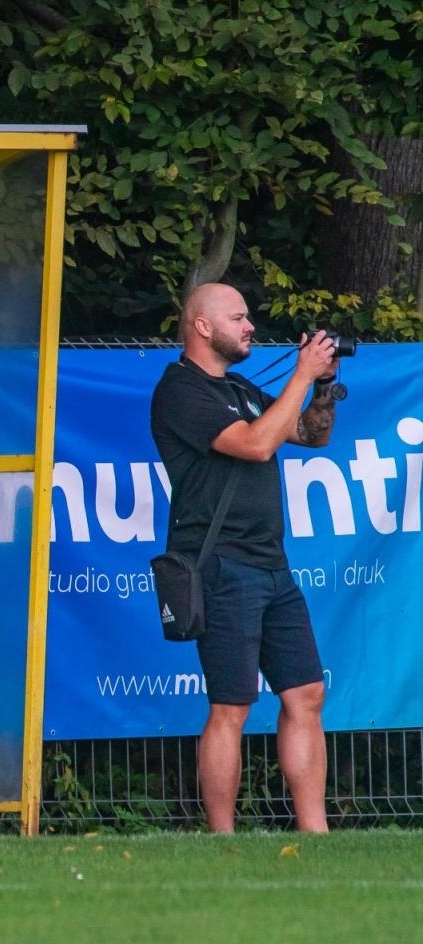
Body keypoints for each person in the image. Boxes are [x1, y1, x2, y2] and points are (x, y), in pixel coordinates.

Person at [149, 283, 337, 833]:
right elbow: (256, 444)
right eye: (238, 317)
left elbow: (310, 435)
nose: (250, 325)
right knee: (232, 706)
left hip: (272, 565)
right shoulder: (180, 390)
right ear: (203, 327)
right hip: (221, 566)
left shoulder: (239, 387)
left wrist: (323, 386)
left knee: (306, 693)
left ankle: (316, 834)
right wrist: (300, 374)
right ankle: (222, 838)